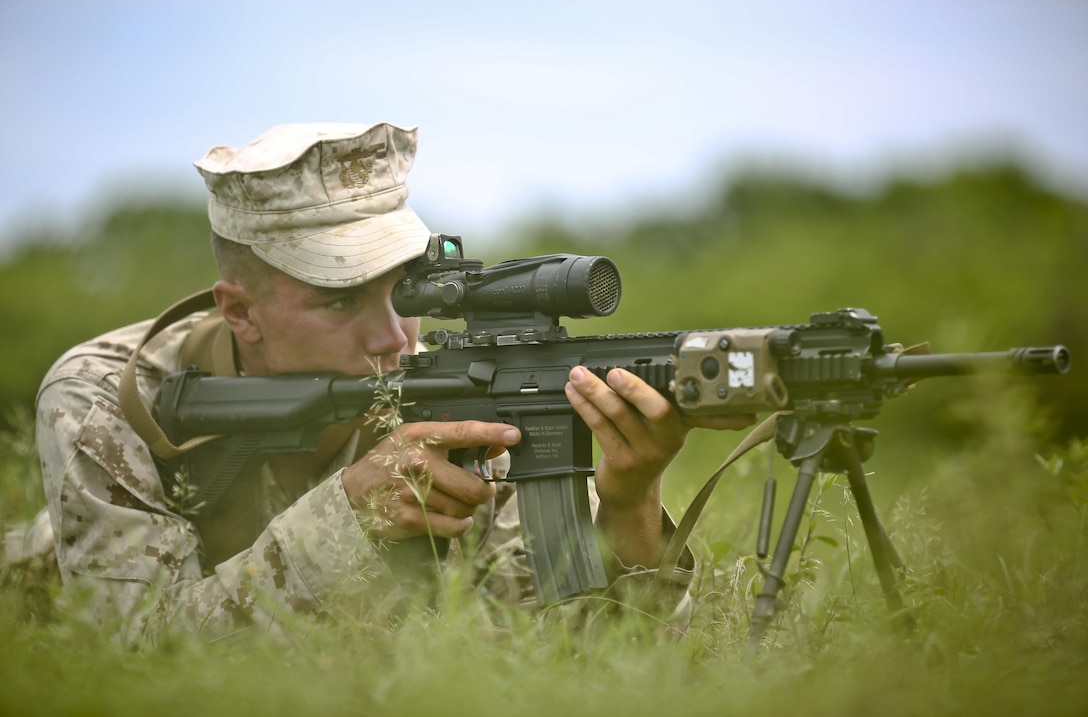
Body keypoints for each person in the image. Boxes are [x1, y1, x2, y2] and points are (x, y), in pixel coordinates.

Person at [30, 122, 753, 643]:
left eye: (407, 293)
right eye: (340, 299)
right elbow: (129, 655)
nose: (393, 336)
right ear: (240, 312)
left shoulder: (460, 399)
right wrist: (349, 520)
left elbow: (585, 656)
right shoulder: (106, 399)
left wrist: (629, 506)